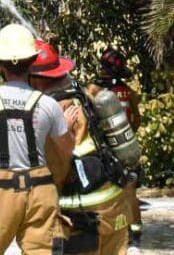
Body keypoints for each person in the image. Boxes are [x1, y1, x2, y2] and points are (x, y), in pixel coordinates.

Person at [0, 24, 74, 255]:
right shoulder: (48, 104)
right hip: (40, 189)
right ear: (32, 63)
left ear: (0, 64)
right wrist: (67, 127)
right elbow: (67, 148)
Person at [31, 41, 130, 255]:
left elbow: (55, 171)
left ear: (37, 79)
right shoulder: (82, 93)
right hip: (113, 200)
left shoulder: (51, 110)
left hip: (84, 213)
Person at [90, 49, 143, 251]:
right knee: (130, 192)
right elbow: (137, 120)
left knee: (108, 193)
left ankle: (111, 233)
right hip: (127, 148)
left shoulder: (95, 91)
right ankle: (135, 236)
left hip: (106, 152)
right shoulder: (129, 92)